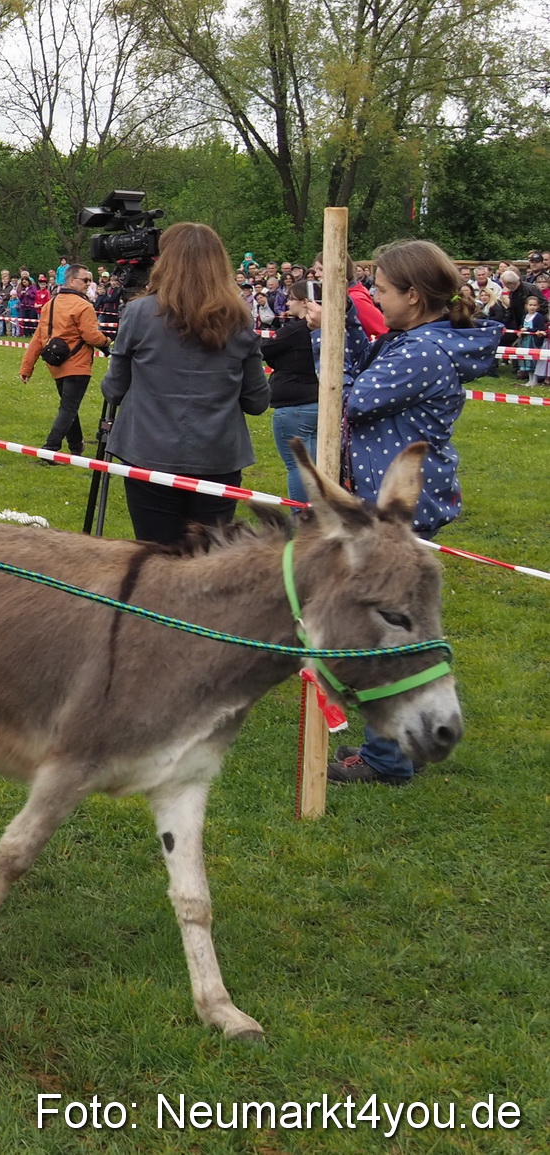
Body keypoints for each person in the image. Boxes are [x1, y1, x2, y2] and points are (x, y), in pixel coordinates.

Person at [313, 239, 501, 785]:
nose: (375, 295)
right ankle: (408, 736)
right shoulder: (417, 339)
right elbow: (355, 376)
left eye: (382, 289)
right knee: (399, 622)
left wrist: (331, 335)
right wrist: (343, 317)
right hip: (400, 499)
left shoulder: (421, 351)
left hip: (400, 504)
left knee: (384, 626)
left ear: (413, 297)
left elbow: (346, 396)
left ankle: (387, 756)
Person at [101, 223, 270, 545]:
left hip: (151, 453)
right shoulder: (240, 318)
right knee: (206, 563)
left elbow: (114, 389)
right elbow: (257, 400)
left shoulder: (138, 313)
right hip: (216, 457)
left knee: (158, 556)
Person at [20, 265, 109, 455]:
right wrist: (108, 340)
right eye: (85, 280)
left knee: (69, 407)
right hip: (77, 366)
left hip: (55, 364)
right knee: (68, 408)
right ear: (71, 281)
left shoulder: (49, 305)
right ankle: (50, 447)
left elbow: (37, 339)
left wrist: (27, 367)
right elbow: (91, 337)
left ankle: (76, 447)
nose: (89, 284)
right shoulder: (84, 306)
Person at [259, 280, 320, 503]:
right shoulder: (325, 327)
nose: (288, 302)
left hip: (294, 406)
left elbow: (263, 350)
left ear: (305, 302)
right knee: (312, 466)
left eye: (292, 298)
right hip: (317, 402)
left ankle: (302, 515)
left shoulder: (294, 330)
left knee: (298, 466)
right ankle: (316, 513)